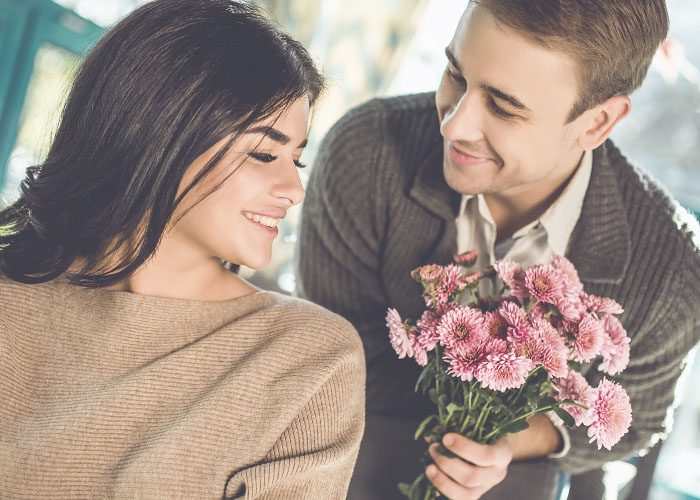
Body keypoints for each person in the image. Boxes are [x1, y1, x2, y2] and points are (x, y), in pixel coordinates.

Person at [297, 0, 700, 499]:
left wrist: (518, 437)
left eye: (504, 107)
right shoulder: (366, 154)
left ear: (598, 122)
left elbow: (638, 422)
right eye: (454, 73)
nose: (454, 126)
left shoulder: (671, 273)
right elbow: (328, 353)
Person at [0, 1, 365, 498]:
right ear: (156, 133)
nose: (294, 190)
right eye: (264, 153)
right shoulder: (11, 300)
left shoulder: (310, 361)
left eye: (295, 162)